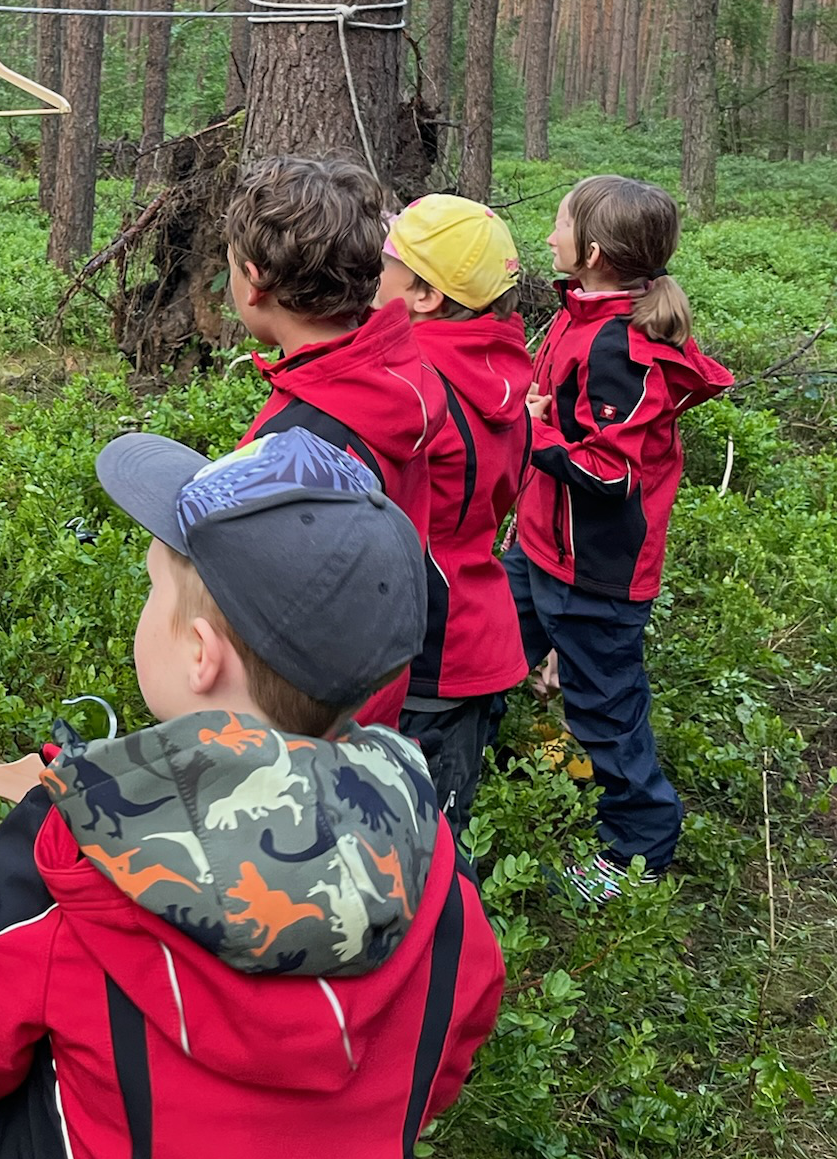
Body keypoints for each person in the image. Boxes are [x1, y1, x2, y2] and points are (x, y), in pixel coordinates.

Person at [0, 426, 505, 1159]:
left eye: (152, 587)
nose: (141, 604)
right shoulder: (437, 888)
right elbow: (435, 1074)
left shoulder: (77, 869)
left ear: (200, 653)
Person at [504, 176, 733, 899]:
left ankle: (638, 850)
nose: (547, 236)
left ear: (594, 252)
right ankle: (468, 771)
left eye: (560, 223)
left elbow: (608, 476)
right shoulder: (583, 314)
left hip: (592, 571)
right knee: (483, 652)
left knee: (606, 711)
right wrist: (542, 411)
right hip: (541, 547)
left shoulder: (619, 346)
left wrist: (535, 431)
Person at [225, 154, 448, 727]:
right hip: (374, 698)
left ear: (254, 282)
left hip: (304, 725)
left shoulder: (305, 436)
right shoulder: (395, 376)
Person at [377, 195, 532, 840]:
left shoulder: (415, 386)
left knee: (413, 843)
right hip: (479, 628)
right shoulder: (499, 371)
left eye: (388, 264)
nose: (374, 277)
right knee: (445, 819)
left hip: (427, 652)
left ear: (424, 296)